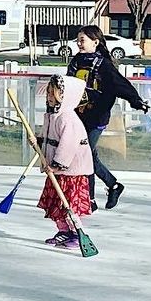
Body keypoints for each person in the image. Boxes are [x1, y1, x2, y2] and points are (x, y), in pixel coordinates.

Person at [66, 25, 149, 210]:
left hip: (97, 117)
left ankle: (90, 199)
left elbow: (119, 84)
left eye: (83, 40)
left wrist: (136, 100)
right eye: (78, 40)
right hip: (79, 115)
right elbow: (68, 84)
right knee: (87, 154)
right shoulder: (76, 61)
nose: (79, 43)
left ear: (95, 42)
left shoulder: (103, 64)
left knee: (85, 154)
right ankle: (113, 186)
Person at [37, 74, 94, 249]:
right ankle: (64, 231)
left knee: (68, 204)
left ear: (65, 96)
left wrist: (56, 164)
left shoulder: (68, 118)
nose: (49, 97)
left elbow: (67, 146)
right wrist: (38, 142)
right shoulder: (52, 115)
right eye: (48, 93)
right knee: (55, 203)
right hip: (56, 171)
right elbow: (48, 136)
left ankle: (77, 233)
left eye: (53, 93)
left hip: (70, 172)